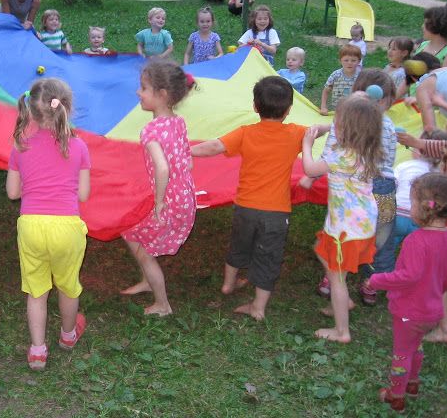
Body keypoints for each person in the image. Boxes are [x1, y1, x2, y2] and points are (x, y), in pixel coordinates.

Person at [192, 77, 324, 320]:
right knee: (268, 256)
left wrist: (184, 150)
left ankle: (228, 285)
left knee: (238, 245)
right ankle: (258, 307)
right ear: (288, 110)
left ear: (255, 106)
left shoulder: (245, 133)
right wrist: (331, 127)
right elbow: (317, 130)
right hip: (276, 212)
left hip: (245, 207)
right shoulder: (296, 133)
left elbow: (213, 147)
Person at [6, 78, 90, 370]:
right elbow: (83, 194)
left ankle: (38, 350)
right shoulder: (79, 147)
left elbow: (13, 193)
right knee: (68, 286)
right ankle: (68, 336)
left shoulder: (21, 147)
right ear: (65, 108)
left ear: (31, 112)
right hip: (66, 227)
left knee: (36, 291)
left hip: (31, 226)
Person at [367, 173, 447, 413]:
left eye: (413, 202)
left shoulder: (417, 240)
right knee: (416, 347)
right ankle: (413, 384)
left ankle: (395, 396)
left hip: (410, 312)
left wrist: (376, 280)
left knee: (402, 354)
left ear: (425, 208)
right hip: (433, 311)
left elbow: (408, 276)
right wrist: (439, 287)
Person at [302, 94, 384, 343]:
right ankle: (342, 301)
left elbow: (310, 169)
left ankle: (341, 332)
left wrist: (307, 143)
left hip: (346, 228)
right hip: (360, 222)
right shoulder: (368, 149)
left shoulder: (342, 156)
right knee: (321, 250)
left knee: (337, 278)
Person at [120, 61, 196, 316]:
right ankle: (146, 281)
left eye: (144, 88)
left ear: (162, 95)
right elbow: (187, 157)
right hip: (185, 196)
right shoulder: (179, 121)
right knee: (130, 231)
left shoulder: (151, 130)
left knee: (143, 250)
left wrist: (160, 202)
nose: (138, 92)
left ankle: (162, 304)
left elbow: (162, 168)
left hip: (169, 201)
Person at [316, 70, 397, 306]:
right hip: (383, 187)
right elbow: (389, 160)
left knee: (341, 233)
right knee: (381, 240)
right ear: (384, 100)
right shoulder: (389, 124)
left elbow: (329, 151)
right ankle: (372, 284)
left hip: (352, 189)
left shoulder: (342, 123)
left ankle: (332, 278)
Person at [386, 129, 447, 272]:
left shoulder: (405, 165)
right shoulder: (439, 175)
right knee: (414, 251)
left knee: (387, 247)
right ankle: (408, 271)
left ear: (419, 150)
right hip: (422, 220)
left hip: (398, 216)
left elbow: (391, 186)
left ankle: (379, 277)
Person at [319, 44, 362, 115]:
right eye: (346, 60)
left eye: (353, 60)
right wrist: (323, 107)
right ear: (340, 61)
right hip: (339, 108)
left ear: (359, 61)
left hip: (356, 109)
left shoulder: (361, 76)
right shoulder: (335, 75)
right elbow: (326, 90)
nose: (349, 63)